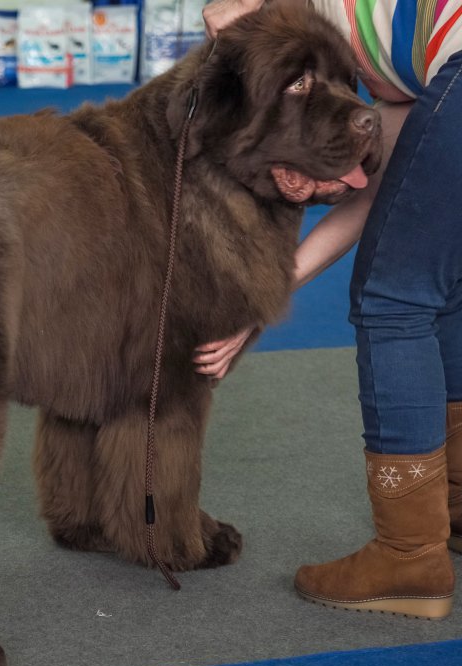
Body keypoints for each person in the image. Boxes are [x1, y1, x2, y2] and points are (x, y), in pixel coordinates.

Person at [195, 0, 462, 618]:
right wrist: (261, 299)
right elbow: (392, 192)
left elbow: (222, 14)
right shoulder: (383, 69)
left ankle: (408, 557)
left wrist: (239, 28)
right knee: (444, 284)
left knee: (392, 301)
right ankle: (453, 506)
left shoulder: (304, 30)